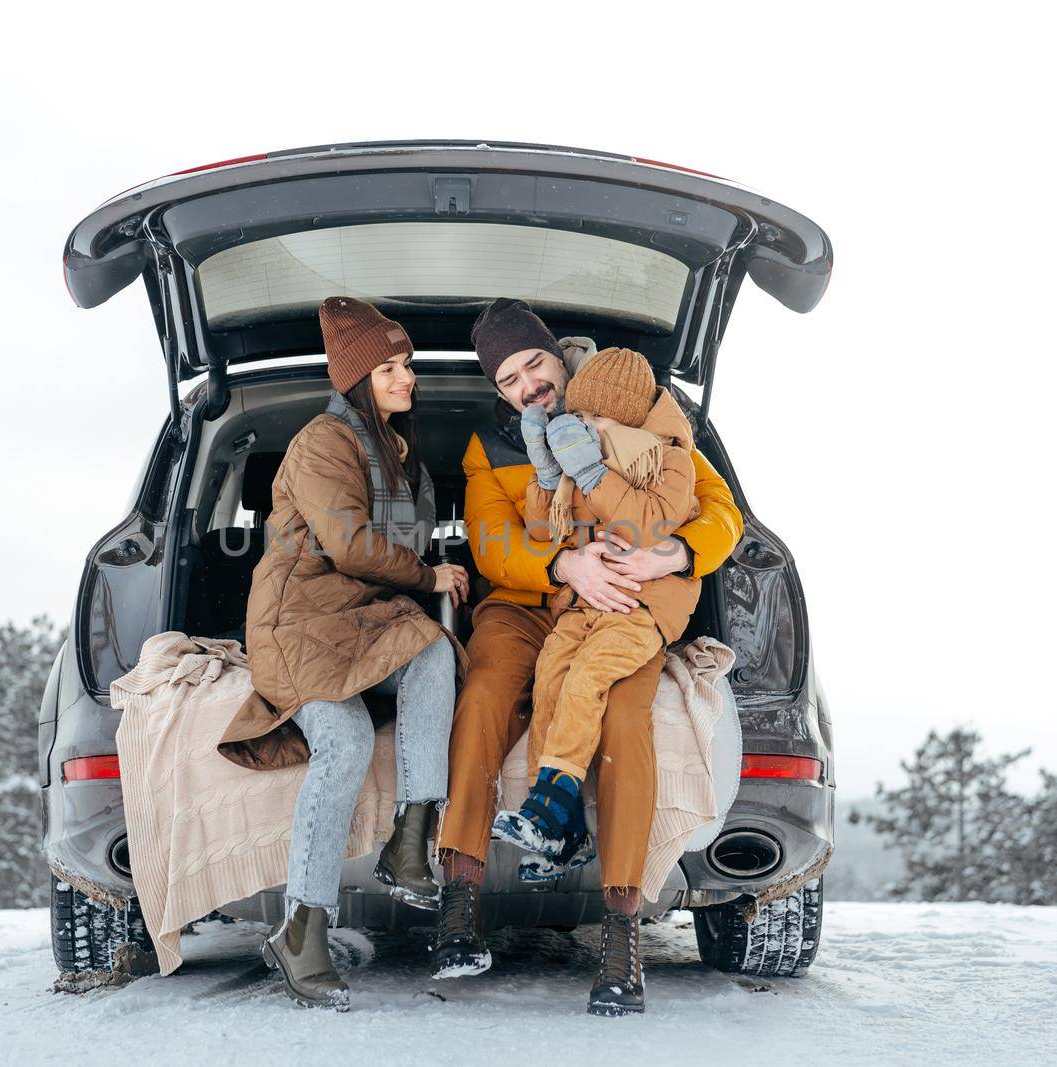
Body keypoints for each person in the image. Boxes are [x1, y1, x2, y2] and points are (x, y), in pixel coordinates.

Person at [431, 298, 743, 1017]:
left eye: (535, 363)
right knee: (481, 695)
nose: (528, 384)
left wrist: (677, 551)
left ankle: (622, 929)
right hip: (525, 601)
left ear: (557, 357)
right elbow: (490, 544)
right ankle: (459, 895)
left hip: (623, 600)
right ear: (498, 390)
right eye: (509, 378)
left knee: (628, 714)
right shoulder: (493, 445)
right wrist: (567, 565)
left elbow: (718, 505)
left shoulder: (626, 410)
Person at [219, 296, 469, 1012]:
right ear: (357, 377)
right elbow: (351, 547)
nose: (406, 378)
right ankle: (301, 931)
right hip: (299, 622)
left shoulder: (399, 452)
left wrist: (437, 576)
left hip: (359, 619)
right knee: (347, 741)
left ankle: (411, 838)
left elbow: (404, 546)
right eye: (389, 368)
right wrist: (428, 577)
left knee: (432, 651)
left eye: (407, 364)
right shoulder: (323, 441)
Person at [493, 347, 701, 870]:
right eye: (580, 417)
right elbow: (546, 533)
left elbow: (649, 522)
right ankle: (561, 836)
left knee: (587, 677)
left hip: (641, 606)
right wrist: (546, 475)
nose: (586, 426)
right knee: (551, 676)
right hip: (587, 603)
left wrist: (590, 474)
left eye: (596, 417)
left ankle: (549, 807)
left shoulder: (667, 458)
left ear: (627, 414)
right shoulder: (595, 458)